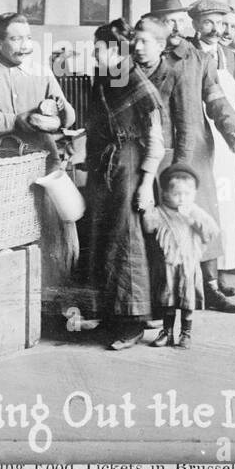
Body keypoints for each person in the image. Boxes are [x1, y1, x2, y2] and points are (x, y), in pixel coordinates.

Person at [134, 13, 235, 312]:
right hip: (159, 151)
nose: (177, 25)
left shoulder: (196, 57)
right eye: (170, 19)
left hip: (194, 149)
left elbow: (215, 97)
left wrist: (233, 130)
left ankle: (208, 288)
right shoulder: (143, 54)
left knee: (200, 215)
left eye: (179, 19)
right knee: (166, 224)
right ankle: (168, 294)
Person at [83, 19, 166, 350]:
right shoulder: (105, 79)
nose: (94, 53)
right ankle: (110, 316)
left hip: (130, 169)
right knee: (103, 240)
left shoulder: (136, 81)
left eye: (99, 48)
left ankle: (132, 323)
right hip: (107, 169)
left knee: (126, 240)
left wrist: (145, 185)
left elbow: (155, 142)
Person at [190, 0, 235, 274]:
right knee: (201, 204)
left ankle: (223, 269)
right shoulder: (188, 55)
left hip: (228, 139)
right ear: (195, 25)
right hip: (199, 138)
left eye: (220, 23)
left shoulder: (232, 57)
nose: (216, 30)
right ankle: (202, 272)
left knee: (226, 205)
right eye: (209, 23)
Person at [0, 12, 75, 153]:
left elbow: (69, 119)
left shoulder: (43, 73)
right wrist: (16, 121)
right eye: (16, 39)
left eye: (28, 38)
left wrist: (62, 109)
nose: (25, 46)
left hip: (40, 156)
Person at [142, 164, 219, 350]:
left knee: (187, 299)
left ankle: (186, 333)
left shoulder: (194, 211)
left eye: (187, 194)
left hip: (188, 264)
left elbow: (211, 230)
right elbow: (149, 227)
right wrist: (147, 209)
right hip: (168, 265)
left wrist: (192, 220)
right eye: (176, 194)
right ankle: (166, 333)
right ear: (166, 193)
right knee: (168, 299)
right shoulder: (161, 212)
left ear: (194, 194)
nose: (182, 198)